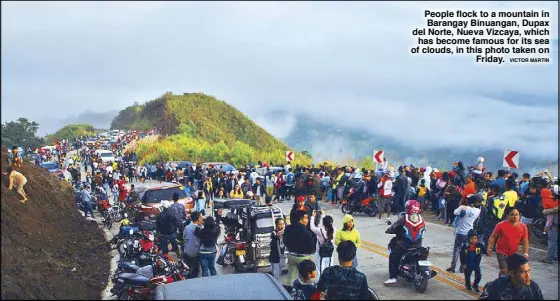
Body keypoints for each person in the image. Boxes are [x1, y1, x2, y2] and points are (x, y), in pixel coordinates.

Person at [384, 200, 425, 285]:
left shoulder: (404, 218)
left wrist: (388, 230)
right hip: (418, 245)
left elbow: (394, 227)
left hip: (405, 246)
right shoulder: (421, 218)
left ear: (408, 208)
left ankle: (393, 277)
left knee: (393, 256)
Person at [478, 253, 544, 300]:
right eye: (523, 272)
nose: (528, 276)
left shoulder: (533, 288)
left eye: (528, 271)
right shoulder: (497, 286)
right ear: (511, 273)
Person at [487, 207, 529, 277]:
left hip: (514, 253)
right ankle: (501, 283)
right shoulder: (500, 225)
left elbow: (525, 240)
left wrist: (526, 253)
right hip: (501, 251)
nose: (515, 216)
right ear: (508, 216)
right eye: (512, 214)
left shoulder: (523, 226)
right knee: (504, 270)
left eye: (517, 214)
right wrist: (489, 247)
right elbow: (493, 236)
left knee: (512, 272)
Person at [283, 210, 317, 291]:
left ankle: (290, 292)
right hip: (303, 258)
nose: (307, 220)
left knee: (291, 276)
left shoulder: (288, 228)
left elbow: (285, 241)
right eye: (306, 218)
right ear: (301, 219)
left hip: (291, 255)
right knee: (304, 277)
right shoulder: (307, 232)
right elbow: (312, 249)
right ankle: (303, 292)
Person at [447, 197, 481, 273]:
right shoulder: (477, 211)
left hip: (460, 232)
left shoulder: (463, 207)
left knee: (457, 250)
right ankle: (463, 268)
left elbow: (455, 212)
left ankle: (453, 267)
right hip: (469, 233)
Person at [183, 211, 202, 279]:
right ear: (198, 219)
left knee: (188, 268)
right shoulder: (200, 228)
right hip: (196, 253)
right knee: (196, 270)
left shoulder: (187, 228)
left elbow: (184, 237)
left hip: (187, 252)